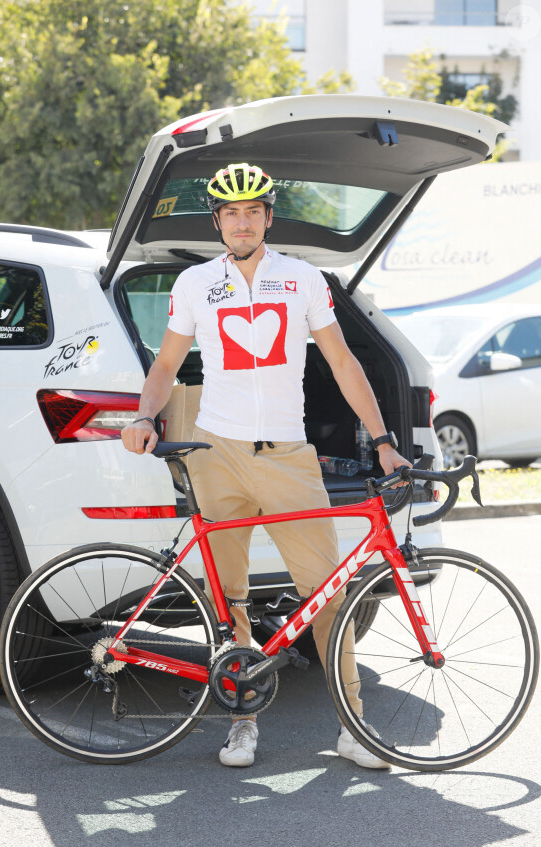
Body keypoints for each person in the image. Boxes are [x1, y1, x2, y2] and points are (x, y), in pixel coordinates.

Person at [121, 162, 411, 770]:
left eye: (253, 211)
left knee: (326, 593)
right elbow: (166, 365)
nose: (242, 222)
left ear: (268, 217)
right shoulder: (196, 285)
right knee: (230, 600)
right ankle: (242, 722)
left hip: (287, 454)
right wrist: (146, 416)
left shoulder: (303, 280)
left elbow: (342, 363)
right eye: (231, 213)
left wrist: (383, 437)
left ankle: (355, 727)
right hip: (216, 454)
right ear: (219, 222)